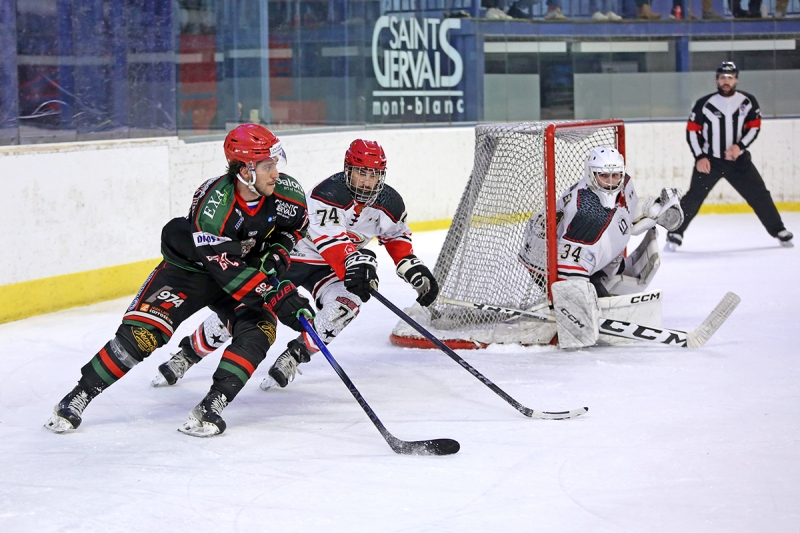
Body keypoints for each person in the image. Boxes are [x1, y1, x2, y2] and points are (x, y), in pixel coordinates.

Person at [44, 123, 315, 437]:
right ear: (244, 170)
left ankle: (212, 405)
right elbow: (224, 268)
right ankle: (79, 395)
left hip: (239, 270)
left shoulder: (286, 193)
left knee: (260, 330)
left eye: (275, 164)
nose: (276, 174)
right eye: (267, 166)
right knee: (142, 336)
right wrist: (274, 293)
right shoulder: (214, 206)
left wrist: (279, 252)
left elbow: (296, 227)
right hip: (190, 272)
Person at [151, 139, 440, 392]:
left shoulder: (391, 203)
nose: (366, 181)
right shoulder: (327, 193)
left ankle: (294, 356)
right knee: (248, 306)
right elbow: (332, 244)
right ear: (347, 170)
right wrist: (356, 265)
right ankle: (189, 353)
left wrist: (411, 267)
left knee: (347, 305)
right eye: (360, 172)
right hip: (293, 257)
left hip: (329, 269)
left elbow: (396, 235)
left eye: (373, 174)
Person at [519, 146, 684, 299]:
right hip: (543, 259)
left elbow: (622, 212)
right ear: (591, 174)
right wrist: (586, 306)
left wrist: (653, 209)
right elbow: (569, 272)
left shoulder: (623, 183)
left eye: (615, 175)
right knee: (585, 297)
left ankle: (605, 272)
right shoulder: (588, 216)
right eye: (604, 176)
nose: (611, 182)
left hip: (569, 246)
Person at [666, 61, 793, 251]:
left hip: (738, 162)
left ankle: (779, 230)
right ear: (717, 80)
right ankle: (675, 233)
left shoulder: (747, 102)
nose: (726, 81)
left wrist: (739, 147)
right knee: (694, 197)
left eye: (730, 78)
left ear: (736, 80)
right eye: (723, 77)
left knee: (759, 195)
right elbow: (692, 131)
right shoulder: (704, 103)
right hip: (710, 161)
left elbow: (754, 127)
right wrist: (700, 157)